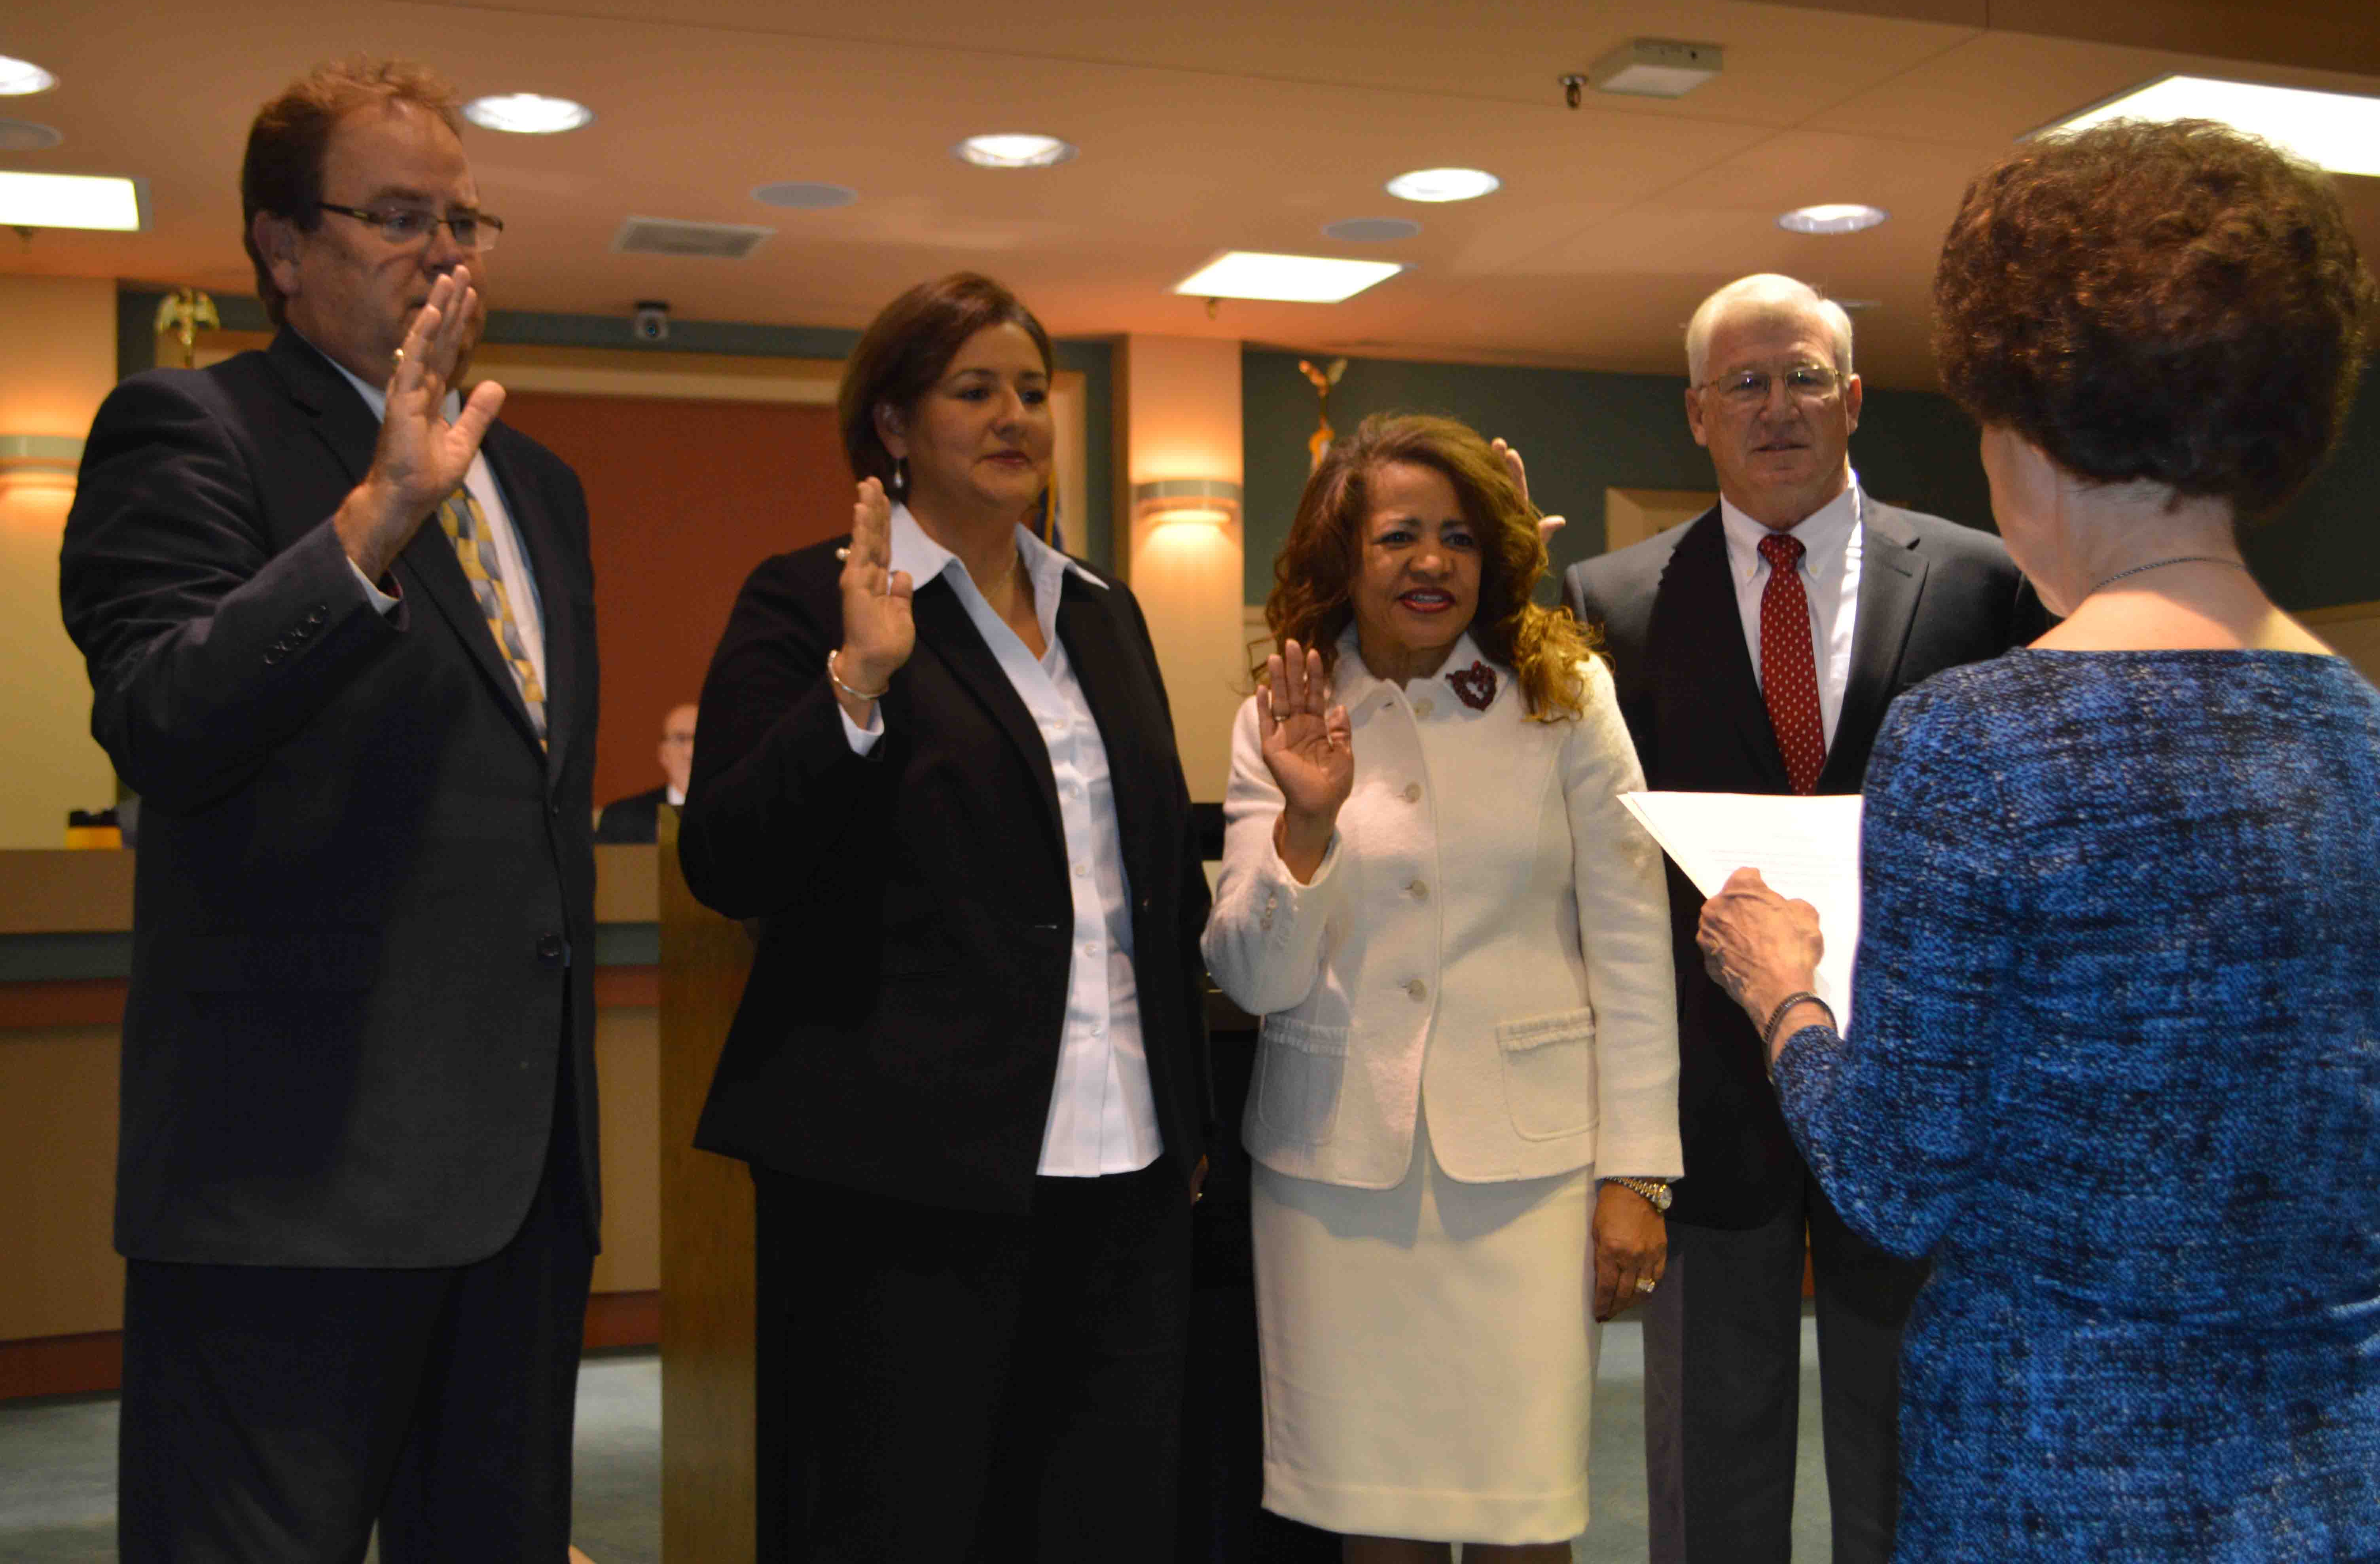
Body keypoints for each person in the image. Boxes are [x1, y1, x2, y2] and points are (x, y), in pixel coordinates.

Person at [1695, 118, 2380, 1561]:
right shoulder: (2359, 731)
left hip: (2049, 1459)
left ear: (2024, 423)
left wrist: (1783, 993)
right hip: (2326, 1463)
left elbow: (1893, 1176)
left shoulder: (1978, 738)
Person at [57, 57, 601, 1562]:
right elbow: (162, 715)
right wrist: (375, 521)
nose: (444, 252)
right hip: (289, 1186)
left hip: (518, 1191)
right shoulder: (189, 429)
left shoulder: (536, 482)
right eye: (398, 217)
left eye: (463, 220)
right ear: (283, 247)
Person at [677, 271, 1211, 1561]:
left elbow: (1146, 885)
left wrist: (1187, 1113)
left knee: (1099, 1520)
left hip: (1123, 1166)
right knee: (901, 1521)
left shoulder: (1102, 610)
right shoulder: (806, 599)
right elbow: (728, 859)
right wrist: (855, 688)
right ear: (894, 425)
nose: (1014, 415)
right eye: (973, 390)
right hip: (902, 1179)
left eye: (1030, 390)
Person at [1560, 272, 2044, 1563]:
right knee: (1709, 1470)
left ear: (1854, 399)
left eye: (1803, 378)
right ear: (1696, 414)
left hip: (1913, 1087)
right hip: (1709, 1103)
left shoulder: (1983, 581)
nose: (1775, 407)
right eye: (1743, 384)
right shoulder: (1608, 601)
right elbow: (1600, 877)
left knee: (1908, 1461)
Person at [1203, 413, 1680, 1561]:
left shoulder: (1567, 698)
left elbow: (1632, 943)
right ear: (1344, 555)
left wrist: (1638, 1173)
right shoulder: (1278, 715)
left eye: (1459, 537)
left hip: (1527, 1182)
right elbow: (1253, 977)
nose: (1432, 562)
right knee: (1376, 1527)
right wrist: (1305, 826)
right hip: (1334, 1185)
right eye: (1399, 536)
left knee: (1527, 1518)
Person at [595, 700, 695, 842]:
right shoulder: (622, 819)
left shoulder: (729, 812)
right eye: (680, 739)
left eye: (700, 738)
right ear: (663, 754)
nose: (690, 751)